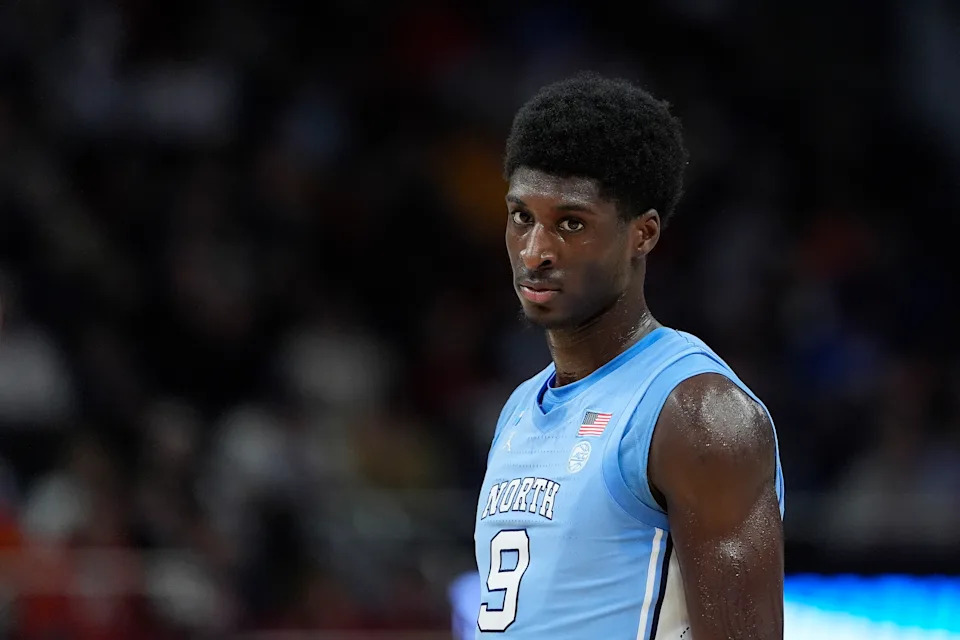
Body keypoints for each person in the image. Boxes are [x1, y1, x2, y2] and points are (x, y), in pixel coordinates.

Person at [473, 72, 785, 639]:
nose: (536, 251)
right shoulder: (519, 409)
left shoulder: (698, 414)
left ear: (642, 234)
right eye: (522, 217)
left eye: (571, 223)